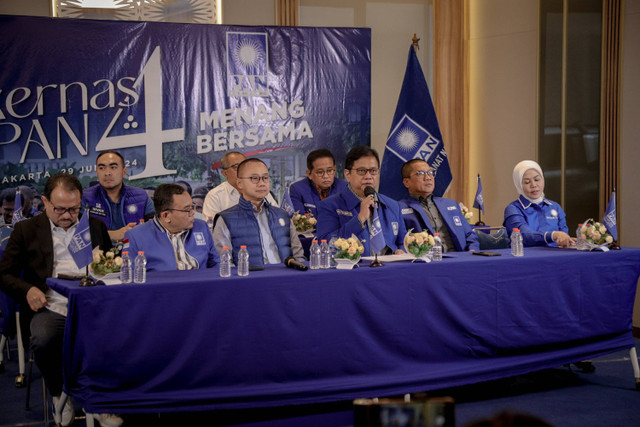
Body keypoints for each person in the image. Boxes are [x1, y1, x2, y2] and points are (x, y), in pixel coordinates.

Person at [0, 174, 121, 427]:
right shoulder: (26, 230)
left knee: (123, 334)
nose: (68, 216)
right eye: (60, 209)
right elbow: (4, 274)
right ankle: (60, 394)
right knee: (44, 338)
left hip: (93, 305)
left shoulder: (94, 226)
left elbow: (109, 270)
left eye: (74, 209)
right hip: (50, 305)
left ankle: (99, 398)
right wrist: (28, 290)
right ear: (44, 201)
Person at [213, 158, 305, 266]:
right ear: (239, 183)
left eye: (265, 178)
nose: (261, 183)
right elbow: (224, 263)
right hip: (248, 280)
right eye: (254, 178)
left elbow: (298, 256)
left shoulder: (282, 215)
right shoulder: (226, 219)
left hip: (285, 277)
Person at [317, 146, 406, 255]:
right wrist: (360, 219)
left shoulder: (393, 205)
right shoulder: (329, 205)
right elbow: (325, 245)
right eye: (362, 171)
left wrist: (401, 251)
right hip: (354, 270)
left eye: (373, 171)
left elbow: (403, 242)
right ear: (347, 174)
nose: (368, 176)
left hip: (389, 269)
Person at [125, 184, 219, 272]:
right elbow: (131, 275)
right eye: (187, 209)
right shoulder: (135, 236)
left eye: (192, 207)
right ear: (166, 216)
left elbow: (216, 264)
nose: (193, 212)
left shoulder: (201, 227)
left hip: (200, 285)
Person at [399, 159, 479, 252]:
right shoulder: (399, 208)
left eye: (430, 173)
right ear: (406, 182)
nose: (428, 177)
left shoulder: (451, 204)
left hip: (459, 258)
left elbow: (470, 235)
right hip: (427, 261)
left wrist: (472, 250)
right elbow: (399, 242)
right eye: (421, 173)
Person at [82, 150, 155, 242]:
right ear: (96, 172)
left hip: (135, 253)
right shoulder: (84, 198)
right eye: (101, 168)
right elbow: (77, 235)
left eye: (113, 167)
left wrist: (137, 232)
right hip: (98, 254)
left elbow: (156, 229)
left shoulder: (141, 196)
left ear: (124, 172)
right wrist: (112, 234)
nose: (107, 173)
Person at [503, 160, 575, 248]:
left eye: (537, 179)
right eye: (527, 182)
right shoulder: (513, 209)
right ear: (519, 185)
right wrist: (554, 235)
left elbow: (563, 235)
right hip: (525, 259)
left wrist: (569, 241)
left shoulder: (555, 207)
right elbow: (525, 236)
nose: (533, 185)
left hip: (555, 258)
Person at [202, 151, 277, 219]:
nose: (242, 170)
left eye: (244, 166)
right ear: (225, 173)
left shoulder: (259, 190)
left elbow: (276, 216)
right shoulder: (215, 196)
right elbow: (211, 228)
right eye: (236, 167)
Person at [288, 148, 348, 217]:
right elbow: (300, 222)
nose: (326, 176)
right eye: (320, 172)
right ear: (309, 174)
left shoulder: (346, 188)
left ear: (334, 170)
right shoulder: (297, 189)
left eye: (329, 171)